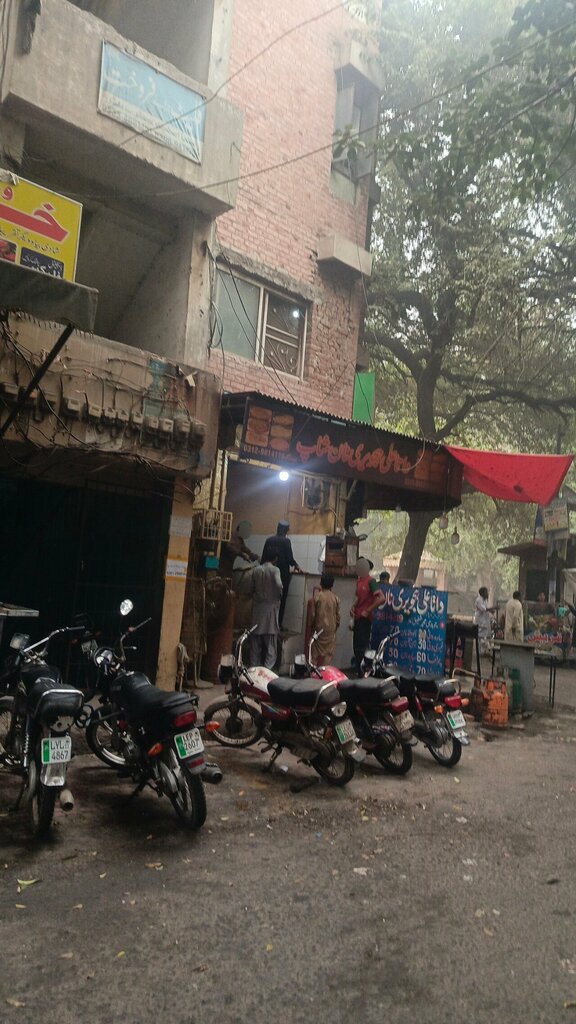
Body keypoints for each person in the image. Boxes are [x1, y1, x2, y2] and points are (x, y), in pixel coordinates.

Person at [261, 521, 301, 628]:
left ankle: (265, 623)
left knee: (267, 600)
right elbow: (289, 558)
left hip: (267, 575)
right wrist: (296, 565)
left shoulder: (269, 540)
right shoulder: (286, 541)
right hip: (282, 575)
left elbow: (263, 558)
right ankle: (277, 624)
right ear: (286, 530)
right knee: (281, 600)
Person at [350, 557, 385, 673]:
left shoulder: (371, 581)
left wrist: (368, 610)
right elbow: (357, 598)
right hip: (357, 617)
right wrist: (353, 607)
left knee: (362, 646)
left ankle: (363, 672)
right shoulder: (359, 582)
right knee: (356, 646)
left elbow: (381, 598)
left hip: (365, 619)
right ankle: (358, 670)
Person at [249, 552, 283, 669]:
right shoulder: (275, 570)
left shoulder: (256, 570)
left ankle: (254, 669)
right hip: (270, 611)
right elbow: (279, 584)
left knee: (255, 643)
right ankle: (267, 670)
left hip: (258, 610)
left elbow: (251, 588)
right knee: (271, 645)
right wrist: (279, 594)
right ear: (275, 558)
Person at [311, 573, 341, 666]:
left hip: (319, 629)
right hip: (331, 629)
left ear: (321, 583)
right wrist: (336, 627)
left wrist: (312, 626)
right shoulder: (336, 598)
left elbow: (313, 615)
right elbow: (338, 616)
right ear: (332, 585)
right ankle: (325, 673)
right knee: (329, 653)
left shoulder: (317, 597)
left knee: (314, 653)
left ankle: (313, 673)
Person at [474, 586, 495, 654]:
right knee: (480, 636)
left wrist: (491, 611)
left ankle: (484, 651)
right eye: (486, 592)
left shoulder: (485, 600)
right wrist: (493, 608)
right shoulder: (478, 600)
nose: (487, 593)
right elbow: (483, 609)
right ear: (482, 593)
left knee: (485, 635)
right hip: (480, 620)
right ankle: (481, 652)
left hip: (484, 620)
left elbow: (486, 609)